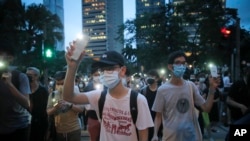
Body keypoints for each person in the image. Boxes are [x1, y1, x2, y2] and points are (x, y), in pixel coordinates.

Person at [63, 46, 154, 141]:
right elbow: (68, 97)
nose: (105, 73)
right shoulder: (99, 96)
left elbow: (143, 135)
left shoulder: (138, 100)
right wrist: (72, 67)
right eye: (102, 70)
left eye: (110, 68)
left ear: (122, 70)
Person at [151, 50, 220, 141]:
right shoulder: (162, 90)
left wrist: (212, 88)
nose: (181, 66)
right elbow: (158, 116)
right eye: (178, 63)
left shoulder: (191, 86)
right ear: (170, 67)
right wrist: (155, 134)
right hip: (171, 138)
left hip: (192, 137)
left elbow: (206, 108)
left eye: (183, 63)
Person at [0, 39, 31, 141]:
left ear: (10, 58)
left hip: (18, 128)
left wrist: (9, 84)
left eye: (1, 54)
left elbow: (26, 103)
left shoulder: (20, 77)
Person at [47, 71, 84, 141]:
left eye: (62, 84)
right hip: (59, 131)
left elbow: (81, 109)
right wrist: (56, 107)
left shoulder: (75, 93)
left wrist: (70, 105)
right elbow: (48, 112)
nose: (60, 86)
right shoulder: (52, 95)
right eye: (58, 84)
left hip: (74, 130)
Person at [26, 67, 49, 141]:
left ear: (37, 76)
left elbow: (46, 108)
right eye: (27, 75)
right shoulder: (24, 89)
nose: (28, 77)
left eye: (30, 75)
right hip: (25, 123)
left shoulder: (43, 91)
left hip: (39, 123)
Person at [140, 69, 162, 141]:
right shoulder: (143, 91)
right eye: (148, 76)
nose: (149, 78)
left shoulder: (161, 91)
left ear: (157, 78)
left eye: (152, 76)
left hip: (159, 123)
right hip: (146, 123)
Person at [83, 62, 103, 141]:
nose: (97, 77)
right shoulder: (88, 87)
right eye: (96, 75)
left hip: (105, 119)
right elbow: (86, 105)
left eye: (99, 74)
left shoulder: (107, 86)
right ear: (92, 76)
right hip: (92, 118)